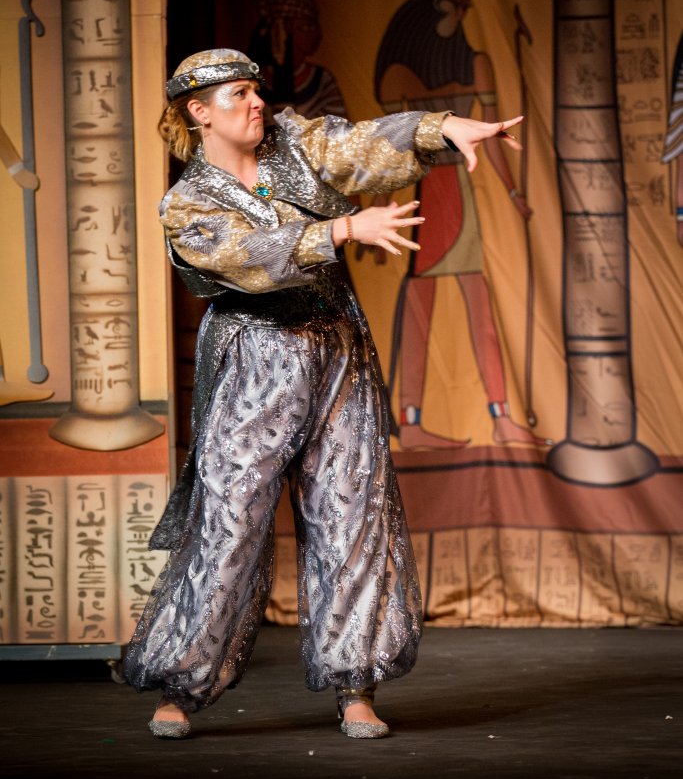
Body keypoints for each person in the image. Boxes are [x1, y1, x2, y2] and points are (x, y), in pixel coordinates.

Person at [122, 47, 523, 740]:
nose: (257, 102)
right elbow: (242, 257)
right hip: (254, 359)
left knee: (350, 511)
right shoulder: (188, 202)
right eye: (238, 94)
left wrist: (441, 128)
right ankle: (180, 683)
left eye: (256, 89)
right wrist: (339, 229)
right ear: (198, 112)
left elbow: (361, 144)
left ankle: (354, 684)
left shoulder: (296, 144)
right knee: (229, 521)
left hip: (336, 350)